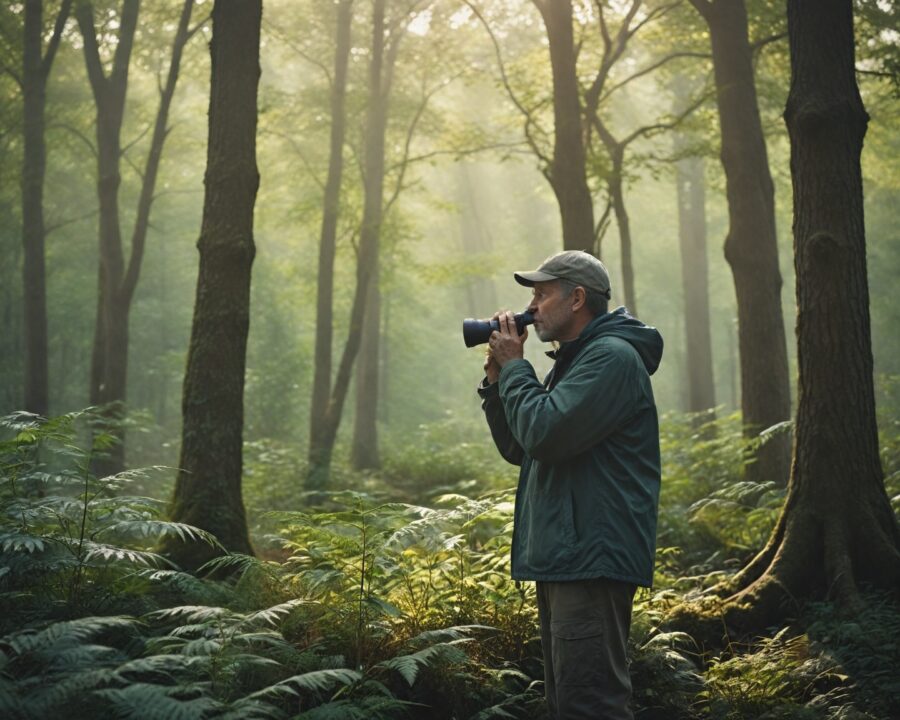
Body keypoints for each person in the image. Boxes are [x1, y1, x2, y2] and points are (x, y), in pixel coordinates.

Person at [477, 250, 663, 720]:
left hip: (590, 557)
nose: (531, 306)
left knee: (590, 704)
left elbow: (545, 434)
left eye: (541, 293)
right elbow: (523, 448)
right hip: (568, 554)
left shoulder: (612, 359)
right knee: (567, 703)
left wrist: (518, 367)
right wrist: (498, 382)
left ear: (577, 298)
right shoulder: (577, 361)